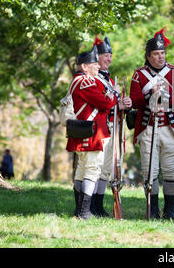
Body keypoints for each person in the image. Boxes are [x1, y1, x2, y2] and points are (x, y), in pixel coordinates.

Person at [129, 27, 174, 220]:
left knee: (171, 169)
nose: (161, 57)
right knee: (150, 170)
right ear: (148, 56)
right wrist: (149, 92)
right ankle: (152, 210)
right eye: (156, 54)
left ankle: (169, 210)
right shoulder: (139, 74)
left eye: (162, 53)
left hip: (169, 127)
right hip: (148, 128)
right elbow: (135, 100)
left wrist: (167, 97)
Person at [66, 48, 119, 220]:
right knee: (92, 170)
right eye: (94, 64)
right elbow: (105, 103)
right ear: (84, 66)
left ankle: (80, 210)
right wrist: (115, 95)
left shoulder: (78, 81)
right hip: (92, 132)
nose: (97, 67)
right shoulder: (86, 82)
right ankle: (84, 212)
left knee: (82, 170)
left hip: (86, 130)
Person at [89, 36, 132, 217]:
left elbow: (113, 103)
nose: (109, 59)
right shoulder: (92, 78)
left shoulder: (109, 80)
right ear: (96, 57)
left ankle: (98, 206)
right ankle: (89, 206)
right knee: (95, 168)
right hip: (98, 130)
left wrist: (125, 104)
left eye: (110, 55)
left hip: (112, 129)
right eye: (105, 55)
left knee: (106, 169)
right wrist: (117, 105)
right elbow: (98, 103)